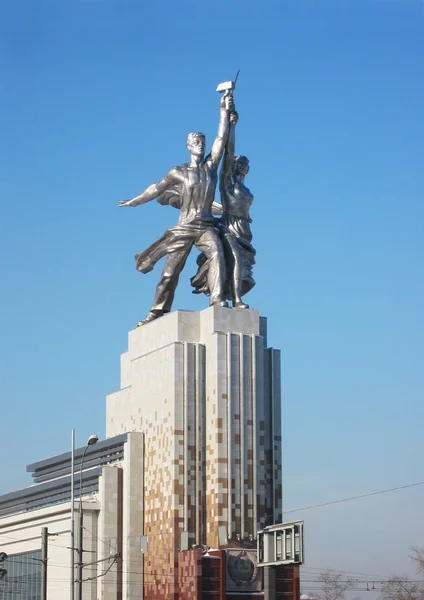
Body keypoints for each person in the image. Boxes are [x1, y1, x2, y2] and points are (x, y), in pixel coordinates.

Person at [119, 92, 234, 326]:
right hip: (184, 227)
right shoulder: (178, 172)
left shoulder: (211, 167)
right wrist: (135, 200)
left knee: (217, 252)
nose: (201, 146)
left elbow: (221, 138)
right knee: (170, 272)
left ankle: (217, 299)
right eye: (197, 143)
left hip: (205, 225)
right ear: (189, 146)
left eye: (203, 142)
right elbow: (156, 188)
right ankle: (157, 311)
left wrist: (224, 111)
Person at [191, 110, 256, 307]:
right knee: (234, 257)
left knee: (242, 264)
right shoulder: (228, 183)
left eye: (246, 163)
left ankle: (235, 297)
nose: (244, 164)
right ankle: (236, 299)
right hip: (228, 226)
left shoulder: (245, 187)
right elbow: (228, 152)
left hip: (244, 229)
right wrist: (232, 126)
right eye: (240, 162)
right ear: (235, 166)